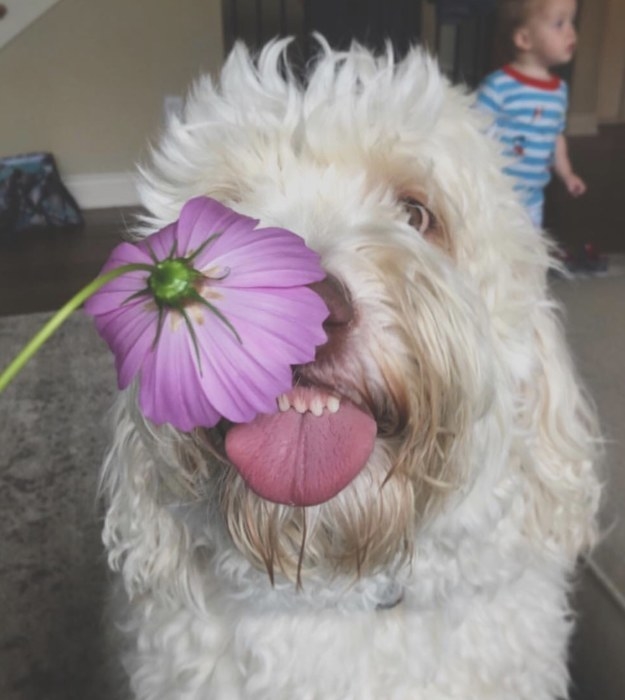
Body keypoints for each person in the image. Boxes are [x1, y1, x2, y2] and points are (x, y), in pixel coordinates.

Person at [476, 0, 586, 228]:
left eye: (571, 22)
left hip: (534, 199)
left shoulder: (559, 91)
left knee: (530, 251)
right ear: (524, 39)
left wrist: (567, 174)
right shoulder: (499, 86)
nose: (571, 32)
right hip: (497, 196)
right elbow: (474, 130)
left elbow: (556, 136)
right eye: (559, 24)